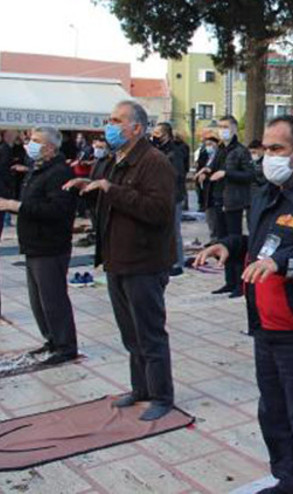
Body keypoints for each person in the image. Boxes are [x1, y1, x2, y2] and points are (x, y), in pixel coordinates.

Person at [196, 115, 293, 494]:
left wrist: (285, 262)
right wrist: (231, 247)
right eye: (265, 149)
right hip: (265, 325)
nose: (266, 157)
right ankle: (290, 481)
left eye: (275, 149)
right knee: (274, 413)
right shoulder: (269, 191)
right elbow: (262, 243)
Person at [64, 100, 177, 421]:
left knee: (150, 332)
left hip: (144, 261)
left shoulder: (154, 162)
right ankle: (140, 388)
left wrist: (111, 190)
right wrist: (91, 187)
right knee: (130, 332)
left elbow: (158, 211)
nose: (108, 126)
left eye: (116, 120)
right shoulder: (116, 160)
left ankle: (161, 395)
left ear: (137, 128)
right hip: (117, 259)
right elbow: (110, 194)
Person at [0, 126, 78, 365]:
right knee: (38, 301)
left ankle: (65, 346)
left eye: (35, 140)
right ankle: (52, 339)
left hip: (50, 245)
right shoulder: (39, 169)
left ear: (50, 147)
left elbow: (57, 210)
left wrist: (16, 206)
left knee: (53, 298)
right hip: (34, 244)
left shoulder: (59, 172)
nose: (29, 144)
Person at [200, 116, 254, 297]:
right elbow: (212, 167)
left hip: (233, 202)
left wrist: (227, 173)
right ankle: (229, 281)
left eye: (225, 126)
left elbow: (249, 174)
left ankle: (240, 283)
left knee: (235, 241)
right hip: (216, 200)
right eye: (220, 126)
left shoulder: (240, 151)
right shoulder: (218, 149)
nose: (222, 130)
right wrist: (206, 170)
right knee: (222, 242)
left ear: (234, 129)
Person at [151, 122, 186, 277]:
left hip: (174, 195)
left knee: (174, 230)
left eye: (158, 133)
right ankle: (165, 259)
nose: (154, 136)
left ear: (166, 135)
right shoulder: (158, 150)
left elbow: (176, 174)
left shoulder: (174, 152)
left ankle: (177, 262)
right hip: (161, 195)